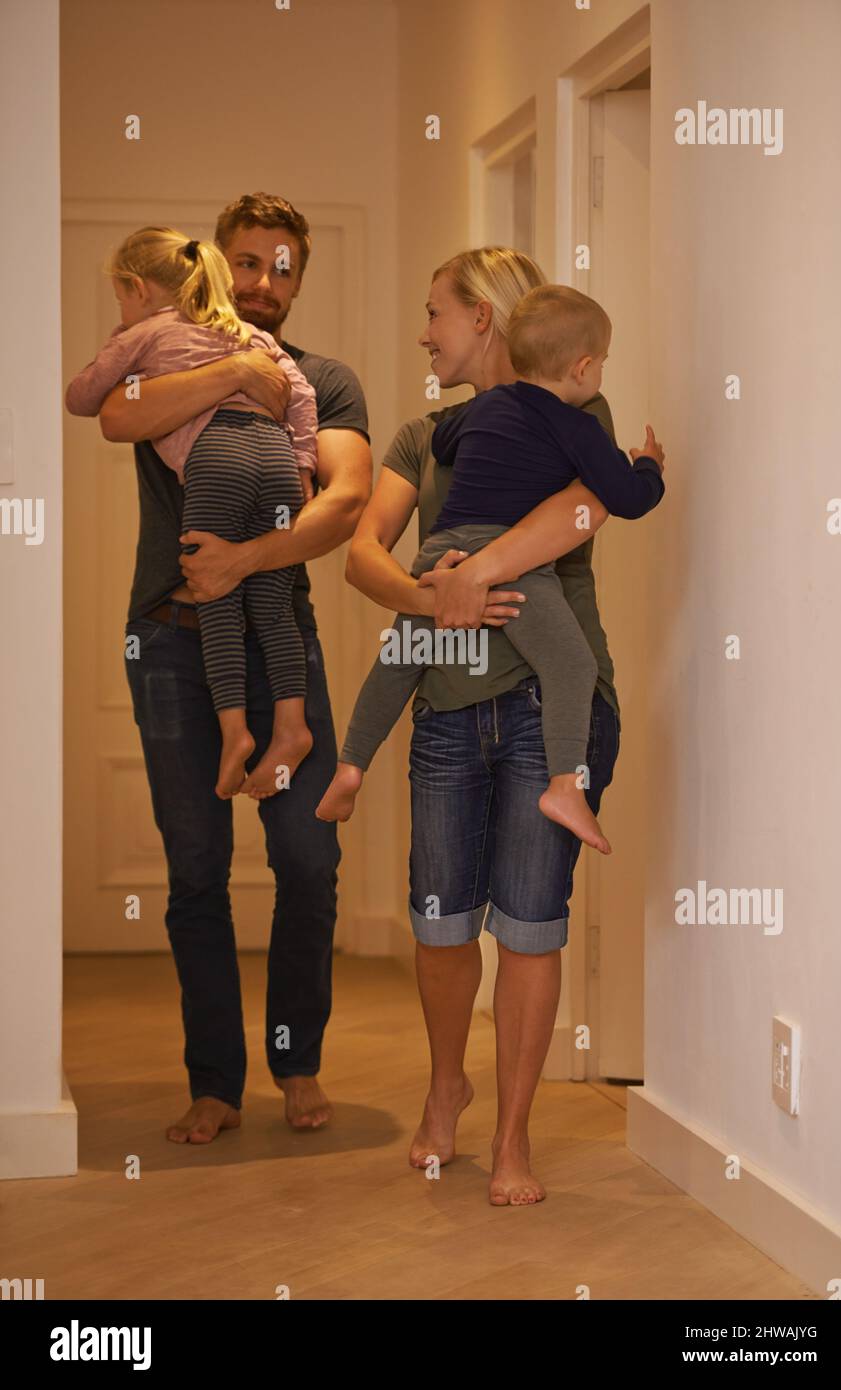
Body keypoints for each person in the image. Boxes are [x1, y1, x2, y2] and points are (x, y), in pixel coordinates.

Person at [343, 246, 662, 1205]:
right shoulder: (420, 436)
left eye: (434, 311)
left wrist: (475, 572)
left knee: (529, 923)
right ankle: (447, 1088)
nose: (423, 331)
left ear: (482, 317)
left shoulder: (577, 408)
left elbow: (580, 512)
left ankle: (513, 1139)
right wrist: (429, 593)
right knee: (441, 923)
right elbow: (363, 555)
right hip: (444, 701)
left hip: (548, 704)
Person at [99, 193, 372, 1143]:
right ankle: (215, 1081)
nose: (263, 282)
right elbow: (115, 416)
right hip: (169, 642)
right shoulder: (165, 348)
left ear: (301, 276)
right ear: (215, 266)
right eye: (246, 262)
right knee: (196, 872)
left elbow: (340, 506)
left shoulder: (326, 380)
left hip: (278, 645)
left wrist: (241, 561)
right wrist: (229, 373)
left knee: (308, 858)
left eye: (282, 266)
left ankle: (295, 1063)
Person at [318, 285, 664, 852]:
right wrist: (649, 467)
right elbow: (625, 498)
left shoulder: (475, 412)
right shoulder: (576, 425)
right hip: (508, 562)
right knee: (570, 667)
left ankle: (350, 768)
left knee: (400, 660)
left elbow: (446, 443)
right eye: (602, 364)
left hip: (440, 553)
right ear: (581, 367)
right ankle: (562, 787)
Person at [67, 225, 319, 800]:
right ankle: (291, 725)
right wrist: (302, 465)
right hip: (276, 459)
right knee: (273, 600)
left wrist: (120, 344)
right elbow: (299, 392)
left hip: (217, 459)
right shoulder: (246, 333)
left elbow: (84, 399)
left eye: (119, 299)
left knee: (216, 591)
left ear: (136, 288)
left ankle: (234, 734)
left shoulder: (147, 332)